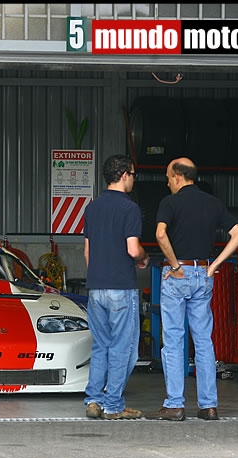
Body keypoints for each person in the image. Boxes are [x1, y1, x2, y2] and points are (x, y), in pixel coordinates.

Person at [145, 157, 238, 421]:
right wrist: (214, 267)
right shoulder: (212, 203)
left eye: (168, 177)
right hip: (204, 273)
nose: (167, 182)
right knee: (203, 342)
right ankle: (209, 405)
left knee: (174, 341)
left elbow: (160, 234)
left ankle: (175, 404)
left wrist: (175, 265)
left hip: (177, 275)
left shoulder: (170, 203)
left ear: (178, 176)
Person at [83, 154, 150, 420]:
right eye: (133, 174)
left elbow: (87, 251)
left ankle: (94, 401)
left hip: (96, 287)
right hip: (121, 287)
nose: (133, 179)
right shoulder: (129, 208)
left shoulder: (92, 207)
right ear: (124, 175)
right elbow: (133, 249)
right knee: (124, 348)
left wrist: (98, 277)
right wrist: (144, 257)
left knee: (101, 345)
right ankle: (113, 405)